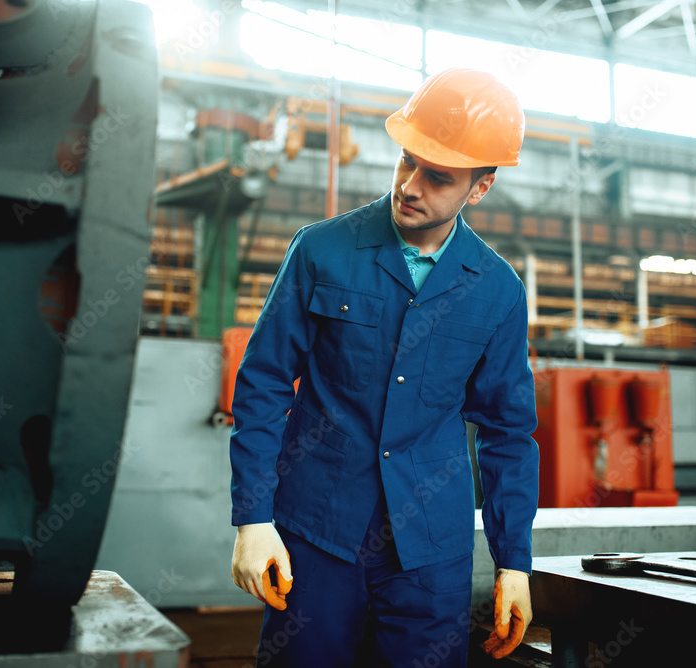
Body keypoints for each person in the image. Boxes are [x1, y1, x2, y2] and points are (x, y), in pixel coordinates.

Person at [229, 67, 540, 667]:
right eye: (407, 162)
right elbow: (264, 382)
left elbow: (508, 433)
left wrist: (514, 563)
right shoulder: (322, 250)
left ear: (481, 187)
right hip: (316, 535)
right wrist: (253, 520)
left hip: (429, 553)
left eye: (439, 177)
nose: (411, 185)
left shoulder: (498, 292)